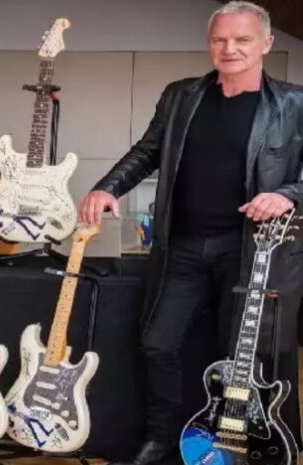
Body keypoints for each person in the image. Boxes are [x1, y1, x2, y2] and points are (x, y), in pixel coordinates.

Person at [79, 2, 303, 464]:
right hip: (180, 245)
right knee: (157, 343)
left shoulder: (294, 104)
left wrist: (288, 194)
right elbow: (147, 151)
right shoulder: (181, 96)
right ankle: (161, 438)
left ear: (266, 43)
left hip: (252, 252)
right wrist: (107, 187)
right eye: (220, 39)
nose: (230, 48)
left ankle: (230, 444)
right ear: (209, 44)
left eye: (242, 40)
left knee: (238, 357)